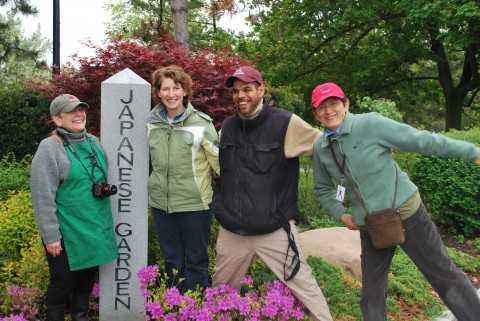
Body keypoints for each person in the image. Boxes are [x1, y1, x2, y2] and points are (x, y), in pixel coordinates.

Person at [311, 82, 480, 321]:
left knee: (444, 276)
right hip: (371, 226)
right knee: (371, 295)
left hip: (407, 215)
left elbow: (423, 141)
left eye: (334, 104)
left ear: (346, 105)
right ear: (315, 114)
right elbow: (323, 189)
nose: (329, 111)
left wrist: (472, 152)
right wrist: (341, 214)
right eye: (322, 107)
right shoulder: (321, 148)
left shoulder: (370, 124)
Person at [210, 66, 333, 321]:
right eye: (236, 91)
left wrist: (366, 147)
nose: (240, 96)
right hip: (233, 231)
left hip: (274, 230)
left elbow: (326, 146)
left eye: (247, 89)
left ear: (261, 89)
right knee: (218, 296)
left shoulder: (285, 123)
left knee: (306, 289)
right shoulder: (228, 127)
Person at [30, 94, 118, 321]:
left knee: (86, 280)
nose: (79, 114)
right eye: (71, 111)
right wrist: (50, 235)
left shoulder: (94, 142)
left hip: (94, 225)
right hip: (67, 230)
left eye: (81, 109)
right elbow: (42, 196)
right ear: (58, 120)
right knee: (63, 283)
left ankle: (80, 316)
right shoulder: (50, 148)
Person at [147, 65, 220, 293]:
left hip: (195, 205)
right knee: (171, 260)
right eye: (165, 89)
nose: (171, 94)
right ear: (158, 92)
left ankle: (196, 311)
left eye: (176, 88)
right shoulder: (150, 124)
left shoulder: (201, 123)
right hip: (162, 205)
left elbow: (220, 164)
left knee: (196, 261)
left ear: (185, 91)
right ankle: (175, 308)